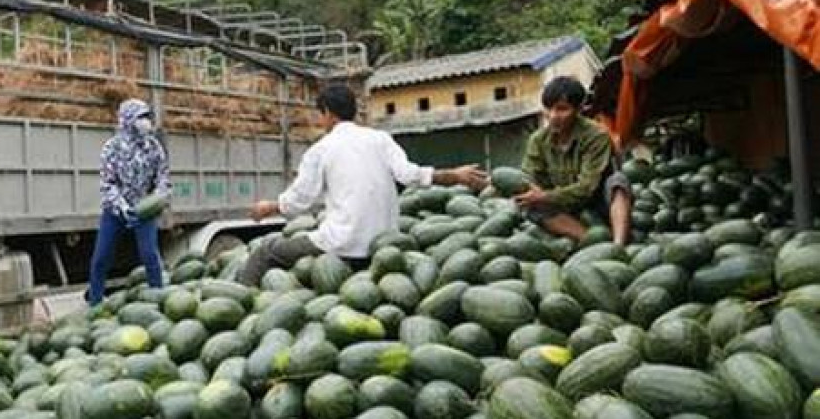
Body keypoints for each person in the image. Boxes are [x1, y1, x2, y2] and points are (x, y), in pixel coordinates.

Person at [241, 84, 487, 286]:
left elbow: (299, 200)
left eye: (320, 115)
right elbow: (411, 175)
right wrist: (455, 175)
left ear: (327, 112)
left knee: (266, 251)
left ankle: (245, 298)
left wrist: (269, 207)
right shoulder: (380, 139)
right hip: (384, 246)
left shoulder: (321, 150)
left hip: (340, 245)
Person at [515, 76, 633, 245]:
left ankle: (618, 245)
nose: (553, 115)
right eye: (548, 109)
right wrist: (531, 191)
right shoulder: (538, 140)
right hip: (565, 209)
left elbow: (587, 187)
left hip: (597, 203)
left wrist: (546, 196)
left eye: (562, 109)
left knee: (618, 182)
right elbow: (530, 176)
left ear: (579, 109)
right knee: (532, 206)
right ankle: (590, 241)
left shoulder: (596, 136)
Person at [87, 99, 171, 306]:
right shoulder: (111, 148)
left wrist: (158, 198)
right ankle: (95, 301)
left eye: (146, 117)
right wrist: (123, 208)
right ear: (127, 120)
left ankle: (158, 298)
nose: (145, 122)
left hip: (144, 210)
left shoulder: (153, 147)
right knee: (101, 257)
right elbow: (107, 184)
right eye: (140, 117)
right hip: (115, 212)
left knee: (150, 255)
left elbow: (163, 178)